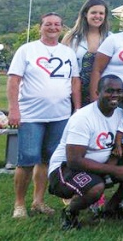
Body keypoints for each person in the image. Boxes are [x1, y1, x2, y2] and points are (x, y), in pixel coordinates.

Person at [48, 75, 123, 230]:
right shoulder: (83, 118)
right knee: (96, 188)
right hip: (65, 170)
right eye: (109, 90)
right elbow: (74, 160)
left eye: (119, 91)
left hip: (103, 164)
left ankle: (111, 207)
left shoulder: (121, 114)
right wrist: (115, 170)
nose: (115, 95)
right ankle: (70, 213)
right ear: (97, 92)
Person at [8, 12, 81, 219]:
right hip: (31, 115)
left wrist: (77, 109)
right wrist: (14, 109)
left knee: (48, 159)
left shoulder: (67, 53)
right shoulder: (27, 50)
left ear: (61, 28)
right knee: (27, 160)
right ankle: (19, 204)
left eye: (57, 24)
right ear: (40, 27)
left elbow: (75, 81)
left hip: (59, 115)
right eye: (48, 24)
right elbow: (13, 80)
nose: (52, 27)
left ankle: (38, 201)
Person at [62, 0, 110, 106]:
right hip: (74, 92)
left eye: (101, 13)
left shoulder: (111, 38)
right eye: (93, 12)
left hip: (103, 91)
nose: (97, 16)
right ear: (85, 14)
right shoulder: (71, 37)